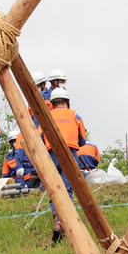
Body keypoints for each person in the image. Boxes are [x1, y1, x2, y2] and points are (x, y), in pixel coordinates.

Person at [43, 87, 87, 243]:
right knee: (67, 189)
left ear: (53, 104)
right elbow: (83, 140)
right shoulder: (75, 115)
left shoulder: (46, 115)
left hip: (52, 154)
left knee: (54, 188)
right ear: (67, 102)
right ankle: (61, 222)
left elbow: (39, 136)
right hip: (70, 154)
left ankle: (58, 220)